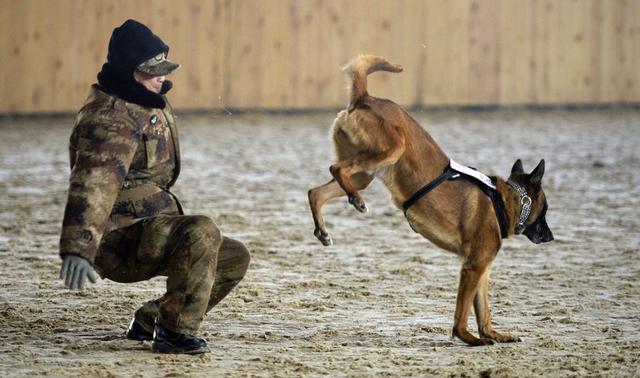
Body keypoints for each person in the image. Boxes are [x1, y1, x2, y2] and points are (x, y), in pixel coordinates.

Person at [58, 19, 250, 355]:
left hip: (146, 227)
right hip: (118, 239)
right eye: (152, 70)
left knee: (232, 257)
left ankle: (152, 320)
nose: (161, 76)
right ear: (128, 70)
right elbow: (92, 185)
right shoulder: (110, 118)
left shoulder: (142, 100)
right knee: (200, 230)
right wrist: (79, 248)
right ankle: (174, 333)